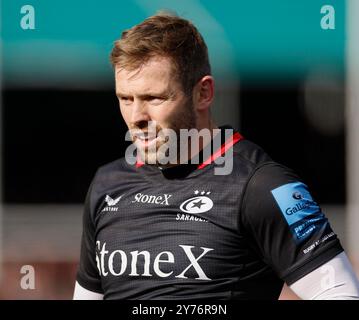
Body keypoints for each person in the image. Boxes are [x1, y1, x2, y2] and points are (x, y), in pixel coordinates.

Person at [73, 12, 359, 300]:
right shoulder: (107, 183)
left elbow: (339, 293)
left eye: (154, 98)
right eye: (126, 98)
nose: (136, 117)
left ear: (203, 93)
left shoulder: (262, 186)